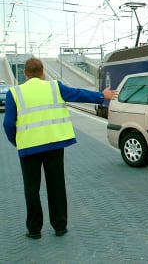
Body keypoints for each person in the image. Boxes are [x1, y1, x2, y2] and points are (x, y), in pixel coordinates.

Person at [2, 58, 118, 239]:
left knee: (31, 189)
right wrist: (102, 96)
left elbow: (8, 124)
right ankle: (60, 226)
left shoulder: (14, 93)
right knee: (56, 186)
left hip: (28, 148)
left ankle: (34, 230)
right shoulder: (55, 87)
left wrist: (17, 141)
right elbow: (78, 94)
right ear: (42, 73)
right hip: (54, 145)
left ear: (25, 74)